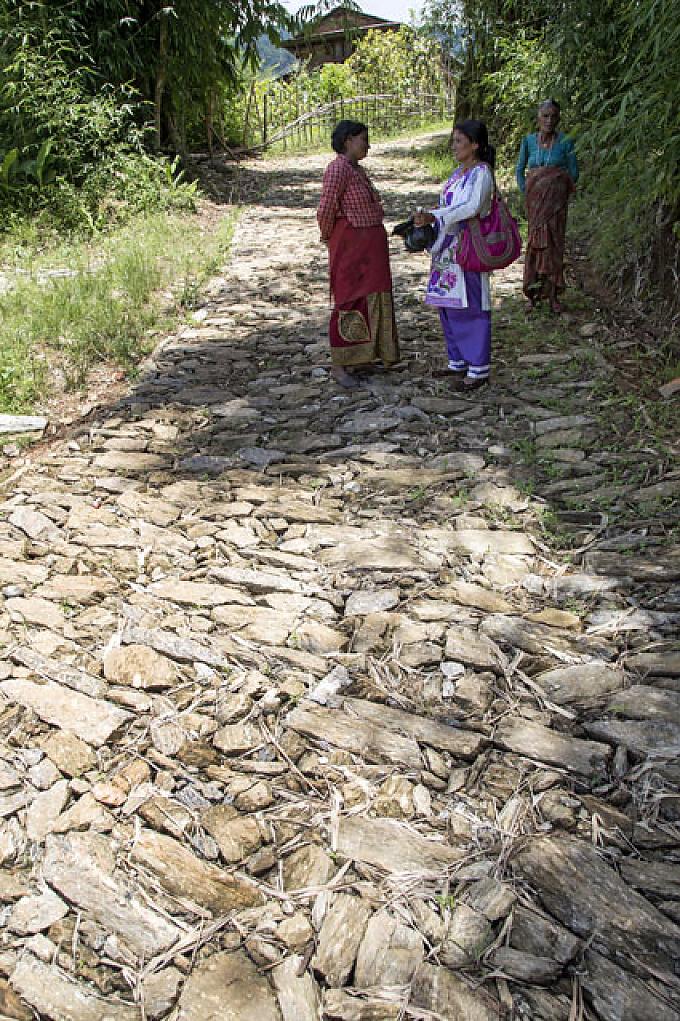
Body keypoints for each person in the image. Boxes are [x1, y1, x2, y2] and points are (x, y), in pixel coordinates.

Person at [413, 119, 495, 390]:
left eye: (459, 141)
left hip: (468, 247)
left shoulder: (482, 174)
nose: (454, 146)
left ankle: (478, 367)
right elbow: (449, 207)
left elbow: (471, 207)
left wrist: (435, 215)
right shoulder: (458, 174)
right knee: (449, 305)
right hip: (448, 249)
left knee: (471, 305)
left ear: (475, 145)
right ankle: (457, 361)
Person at [317, 120, 399, 389]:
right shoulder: (338, 169)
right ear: (348, 140)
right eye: (363, 139)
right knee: (349, 297)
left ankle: (363, 355)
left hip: (369, 248)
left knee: (371, 297)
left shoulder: (357, 170)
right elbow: (326, 208)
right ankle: (340, 363)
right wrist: (329, 237)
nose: (368, 145)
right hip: (351, 245)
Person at [516, 99, 579, 314]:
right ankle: (532, 294)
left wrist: (557, 189)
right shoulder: (528, 141)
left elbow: (574, 172)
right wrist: (528, 190)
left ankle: (553, 295)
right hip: (535, 204)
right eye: (545, 116)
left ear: (558, 118)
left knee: (554, 244)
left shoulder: (566, 142)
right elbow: (519, 170)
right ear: (538, 118)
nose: (549, 120)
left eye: (553, 116)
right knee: (535, 243)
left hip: (556, 205)